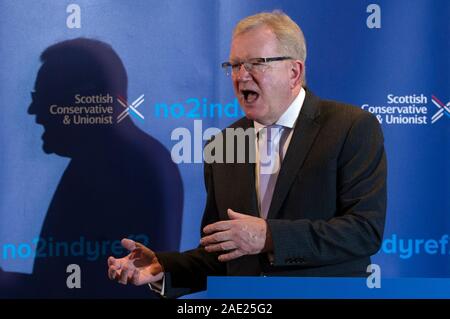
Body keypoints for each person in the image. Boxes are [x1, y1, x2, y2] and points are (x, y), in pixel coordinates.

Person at [107, 11, 387, 298]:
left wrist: (267, 236)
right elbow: (219, 255)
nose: (241, 76)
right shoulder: (224, 144)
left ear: (294, 72)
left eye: (256, 63)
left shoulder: (350, 127)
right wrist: (163, 269)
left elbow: (363, 231)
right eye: (235, 65)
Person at [0, 38, 183, 298]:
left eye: (44, 97)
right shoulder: (121, 160)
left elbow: (91, 291)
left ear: (84, 98)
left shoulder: (127, 167)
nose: (33, 110)